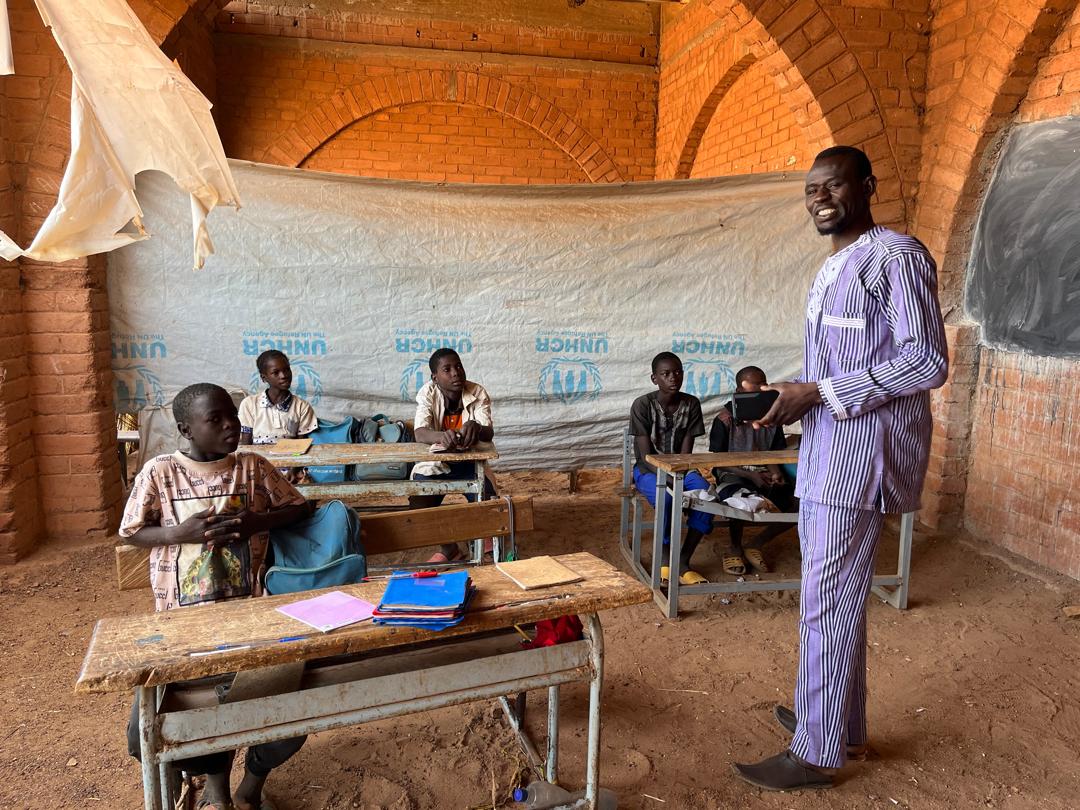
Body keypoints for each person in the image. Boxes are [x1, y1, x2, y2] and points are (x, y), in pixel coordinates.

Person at [731, 146, 947, 791]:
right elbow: (841, 370)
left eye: (833, 185)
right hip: (828, 451)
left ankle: (819, 751)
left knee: (827, 602)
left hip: (863, 460)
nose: (820, 197)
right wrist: (792, 399)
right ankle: (834, 727)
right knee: (831, 600)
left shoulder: (896, 258)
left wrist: (819, 393)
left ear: (868, 186)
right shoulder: (834, 267)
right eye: (811, 190)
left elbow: (927, 363)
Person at [120, 383, 313, 810]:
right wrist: (176, 533)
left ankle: (250, 785)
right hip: (184, 626)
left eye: (232, 415)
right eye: (216, 419)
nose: (231, 425)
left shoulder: (253, 467)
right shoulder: (160, 473)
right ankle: (214, 784)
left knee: (292, 710)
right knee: (147, 732)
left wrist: (257, 521)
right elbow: (131, 532)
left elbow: (301, 508)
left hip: (251, 618)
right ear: (186, 429)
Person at [629, 351, 714, 585]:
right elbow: (645, 455)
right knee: (666, 498)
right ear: (654, 378)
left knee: (707, 496)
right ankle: (665, 556)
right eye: (665, 374)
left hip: (681, 470)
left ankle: (684, 559)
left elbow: (686, 453)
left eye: (677, 372)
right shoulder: (642, 405)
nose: (673, 378)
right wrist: (667, 479)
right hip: (648, 470)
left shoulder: (691, 404)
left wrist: (678, 476)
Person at [410, 348, 496, 563]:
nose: (455, 373)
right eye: (446, 369)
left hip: (469, 463)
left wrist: (476, 427)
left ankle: (480, 540)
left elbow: (489, 431)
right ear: (435, 377)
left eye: (458, 366)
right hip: (437, 463)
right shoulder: (427, 393)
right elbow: (420, 433)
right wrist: (442, 436)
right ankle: (449, 549)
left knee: (487, 496)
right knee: (419, 501)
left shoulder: (477, 392)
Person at [709, 365, 795, 575]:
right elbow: (718, 461)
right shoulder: (724, 419)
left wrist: (775, 473)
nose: (761, 389)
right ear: (739, 391)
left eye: (763, 384)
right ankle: (734, 548)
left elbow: (772, 453)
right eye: (754, 387)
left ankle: (755, 544)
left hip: (763, 471)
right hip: (733, 472)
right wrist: (750, 475)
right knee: (741, 500)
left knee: (799, 504)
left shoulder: (771, 417)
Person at [238, 350, 318, 445]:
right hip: (256, 458)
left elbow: (300, 446)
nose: (283, 376)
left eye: (286, 370)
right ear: (264, 378)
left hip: (289, 457)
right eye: (276, 372)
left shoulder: (302, 407)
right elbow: (246, 444)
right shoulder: (249, 404)